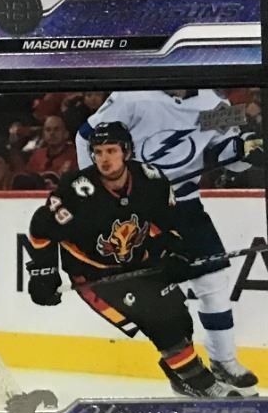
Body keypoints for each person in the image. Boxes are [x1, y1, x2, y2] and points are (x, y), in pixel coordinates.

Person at [26, 120, 240, 399]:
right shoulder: (76, 189)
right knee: (160, 321)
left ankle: (182, 378)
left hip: (139, 264)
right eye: (98, 152)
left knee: (179, 318)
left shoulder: (151, 179)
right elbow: (41, 227)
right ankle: (203, 385)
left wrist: (173, 252)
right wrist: (43, 273)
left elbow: (169, 223)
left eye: (111, 151)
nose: (104, 159)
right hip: (96, 273)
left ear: (126, 152)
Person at [78, 90, 262, 391]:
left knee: (214, 283)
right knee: (162, 297)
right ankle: (185, 372)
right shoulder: (131, 98)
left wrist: (245, 150)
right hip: (142, 210)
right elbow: (85, 138)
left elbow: (222, 154)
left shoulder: (215, 104)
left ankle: (224, 361)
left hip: (186, 205)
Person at [25, 114, 78, 180]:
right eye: (48, 130)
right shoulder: (37, 155)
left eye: (56, 129)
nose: (52, 133)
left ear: (66, 134)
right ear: (43, 135)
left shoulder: (75, 156)